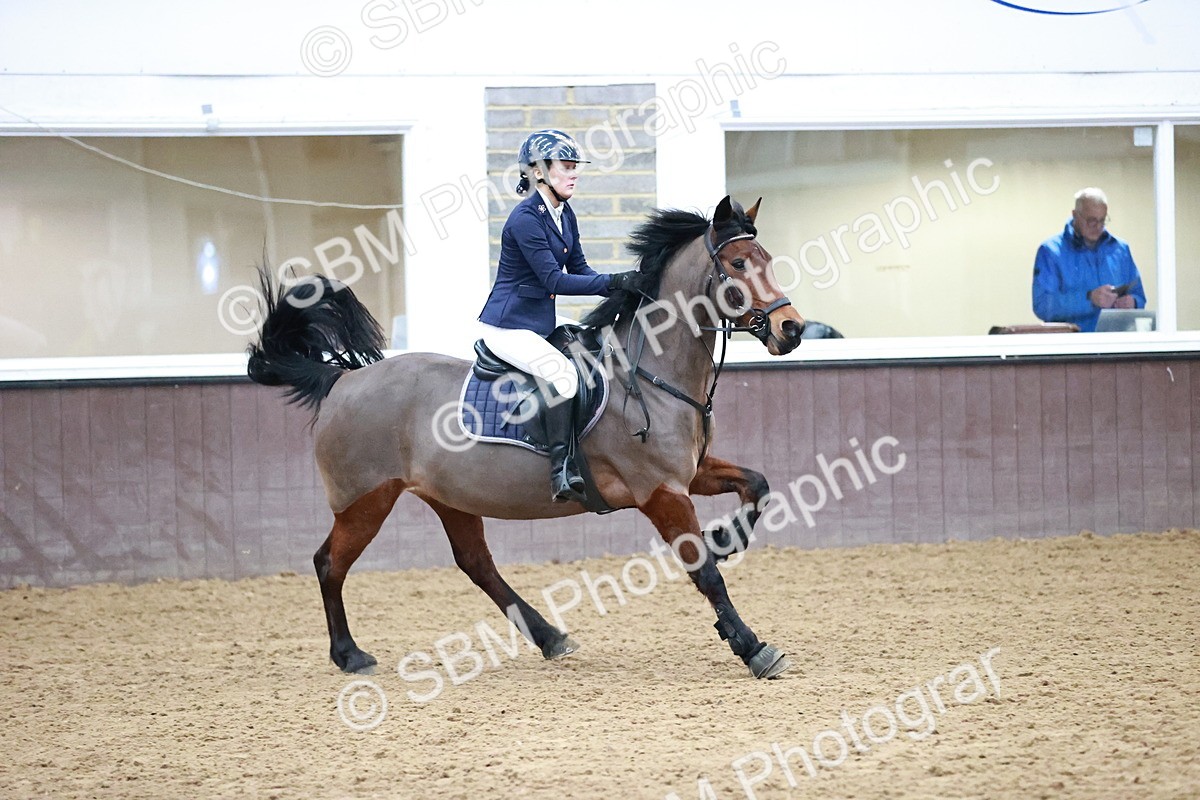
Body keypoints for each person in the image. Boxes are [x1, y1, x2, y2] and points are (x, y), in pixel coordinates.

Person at [477, 129, 645, 503]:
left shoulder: (564, 213)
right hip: (507, 328)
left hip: (537, 327)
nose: (574, 174)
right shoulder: (525, 219)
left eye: (575, 167)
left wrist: (623, 286)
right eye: (566, 166)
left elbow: (580, 268)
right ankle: (561, 470)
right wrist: (613, 281)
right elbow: (554, 279)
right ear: (538, 172)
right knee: (563, 375)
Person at [1032, 187, 1147, 332]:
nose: (1098, 227)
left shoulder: (1121, 250)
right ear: (1075, 215)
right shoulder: (1050, 251)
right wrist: (1089, 299)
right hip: (1074, 349)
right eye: (1091, 221)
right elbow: (1042, 306)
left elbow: (1140, 296)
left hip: (1116, 345)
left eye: (1102, 220)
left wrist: (1133, 302)